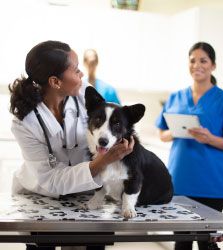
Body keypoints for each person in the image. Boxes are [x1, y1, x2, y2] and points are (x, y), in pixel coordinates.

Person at [9, 40, 134, 250]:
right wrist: (100, 163)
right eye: (76, 70)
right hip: (41, 195)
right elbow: (50, 179)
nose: (82, 75)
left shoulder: (85, 93)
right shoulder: (25, 122)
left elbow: (112, 123)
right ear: (55, 82)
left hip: (86, 193)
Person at [155, 42, 223, 250]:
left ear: (213, 66)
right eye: (192, 60)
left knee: (206, 243)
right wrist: (176, 131)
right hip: (179, 184)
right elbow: (162, 134)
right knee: (182, 243)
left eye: (203, 60)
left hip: (211, 187)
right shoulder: (175, 97)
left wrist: (211, 139)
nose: (197, 65)